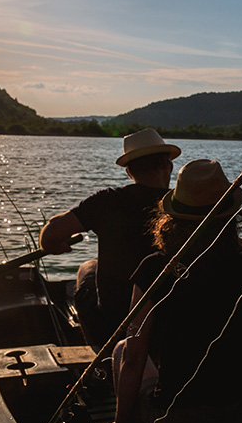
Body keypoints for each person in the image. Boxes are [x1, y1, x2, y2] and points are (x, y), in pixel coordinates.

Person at [108, 159, 242, 423]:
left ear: (174, 218)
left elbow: (135, 355)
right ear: (230, 216)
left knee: (120, 350)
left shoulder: (156, 270)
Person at [39, 128, 180, 349]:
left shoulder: (107, 201)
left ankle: (100, 352)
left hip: (114, 324)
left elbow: (50, 236)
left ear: (129, 172)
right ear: (167, 165)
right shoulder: (184, 208)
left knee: (87, 267)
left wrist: (59, 246)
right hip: (171, 322)